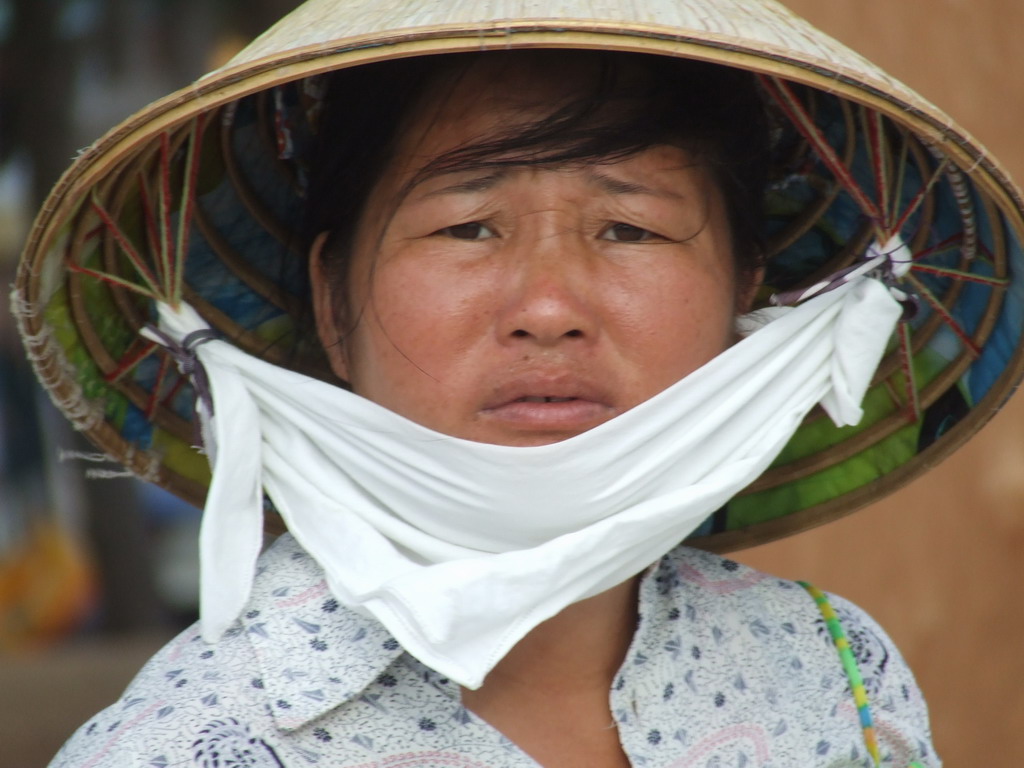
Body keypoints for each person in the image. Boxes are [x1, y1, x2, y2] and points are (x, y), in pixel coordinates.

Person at [13, 1, 1024, 766]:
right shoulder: (191, 743)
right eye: (467, 227)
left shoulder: (832, 668)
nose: (547, 307)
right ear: (331, 302)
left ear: (743, 300)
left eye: (628, 228)